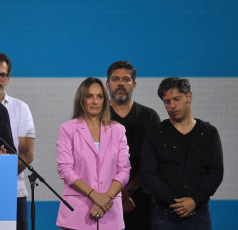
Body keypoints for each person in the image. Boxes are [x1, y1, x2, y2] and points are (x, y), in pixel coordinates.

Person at [140, 77, 224, 230]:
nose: (172, 106)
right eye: (167, 102)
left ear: (189, 97)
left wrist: (194, 201)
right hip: (164, 215)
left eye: (176, 99)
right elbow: (147, 174)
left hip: (199, 214)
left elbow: (216, 172)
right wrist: (174, 202)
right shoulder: (155, 134)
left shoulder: (209, 133)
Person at [56, 77, 131, 230]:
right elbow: (65, 170)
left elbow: (124, 169)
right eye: (89, 96)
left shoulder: (118, 130)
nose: (95, 101)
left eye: (99, 96)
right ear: (81, 99)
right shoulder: (67, 129)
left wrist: (105, 200)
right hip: (76, 212)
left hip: (110, 212)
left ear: (105, 100)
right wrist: (96, 196)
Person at [0, 51, 35, 230]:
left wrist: (0, 177)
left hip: (13, 194)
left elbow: (26, 154)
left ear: (8, 78)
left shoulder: (21, 108)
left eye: (2, 75)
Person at [106, 60, 160, 230]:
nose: (121, 83)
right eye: (115, 79)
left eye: (126, 79)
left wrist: (130, 186)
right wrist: (116, 192)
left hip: (142, 198)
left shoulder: (150, 116)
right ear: (107, 84)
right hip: (103, 198)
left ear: (134, 84)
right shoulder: (97, 117)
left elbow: (155, 160)